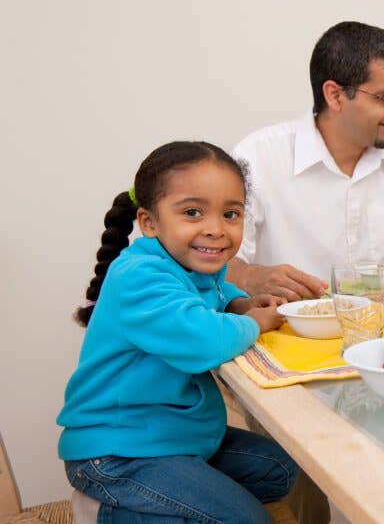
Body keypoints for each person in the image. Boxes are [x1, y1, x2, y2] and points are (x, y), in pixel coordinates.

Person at [57, 141, 298, 523]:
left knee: (280, 469)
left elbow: (216, 292)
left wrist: (238, 304)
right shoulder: (140, 275)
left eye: (231, 214)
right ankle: (106, 510)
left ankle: (174, 497)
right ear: (149, 222)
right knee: (248, 519)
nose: (216, 229)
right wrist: (256, 321)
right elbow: (205, 340)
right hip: (119, 452)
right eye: (192, 212)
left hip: (175, 436)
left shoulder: (187, 265)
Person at [227, 21, 384, 301]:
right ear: (335, 96)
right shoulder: (257, 158)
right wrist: (250, 277)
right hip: (291, 331)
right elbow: (219, 259)